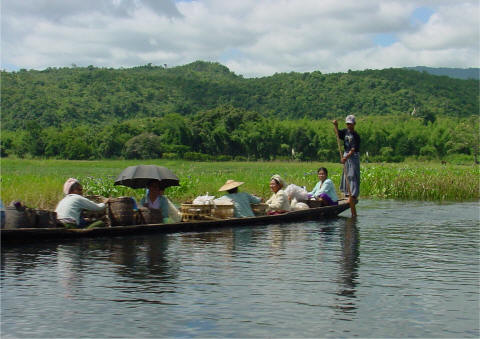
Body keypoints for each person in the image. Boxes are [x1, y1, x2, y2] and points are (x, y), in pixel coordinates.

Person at [333, 115, 360, 215]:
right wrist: (336, 125)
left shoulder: (356, 135)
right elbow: (337, 134)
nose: (349, 126)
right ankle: (347, 194)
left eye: (350, 124)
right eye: (347, 124)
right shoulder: (345, 132)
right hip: (346, 154)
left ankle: (353, 196)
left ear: (354, 124)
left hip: (353, 156)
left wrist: (345, 157)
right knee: (346, 175)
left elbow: (353, 149)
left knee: (353, 175)